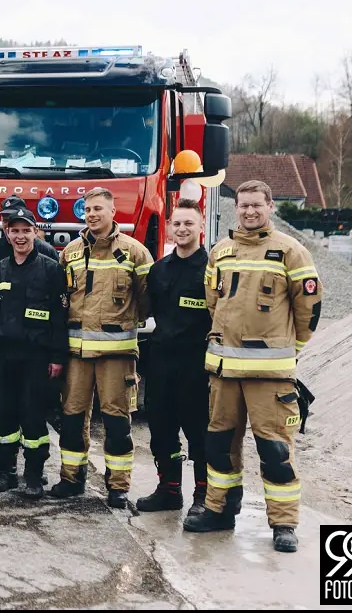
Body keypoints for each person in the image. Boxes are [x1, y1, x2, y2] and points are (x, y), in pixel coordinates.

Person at [183, 180, 321, 554]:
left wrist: (293, 350)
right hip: (225, 372)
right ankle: (219, 510)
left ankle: (284, 523)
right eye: (243, 205)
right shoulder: (221, 251)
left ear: (270, 206)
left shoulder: (291, 251)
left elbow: (309, 309)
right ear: (236, 208)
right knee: (219, 446)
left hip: (269, 375)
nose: (249, 211)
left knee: (275, 451)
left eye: (256, 205)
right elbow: (214, 302)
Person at [49, 187, 152, 509]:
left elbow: (148, 301)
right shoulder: (71, 253)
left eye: (98, 209)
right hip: (77, 356)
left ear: (112, 213)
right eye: (87, 210)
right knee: (72, 418)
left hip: (116, 358)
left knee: (117, 422)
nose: (92, 215)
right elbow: (62, 301)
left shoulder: (135, 253)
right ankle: (71, 478)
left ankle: (118, 487)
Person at [0, 204, 67, 498]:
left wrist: (56, 357)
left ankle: (33, 475)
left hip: (35, 357)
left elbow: (58, 317)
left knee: (32, 417)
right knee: (3, 417)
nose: (19, 236)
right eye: (14, 231)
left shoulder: (51, 269)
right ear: (7, 232)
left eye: (25, 230)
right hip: (2, 356)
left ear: (34, 232)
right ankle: (6, 472)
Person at [136, 199, 212, 516]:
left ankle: (203, 496)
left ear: (201, 228)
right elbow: (148, 311)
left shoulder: (211, 270)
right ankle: (168, 491)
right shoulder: (159, 270)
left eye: (188, 224)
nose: (182, 229)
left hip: (196, 366)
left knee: (200, 436)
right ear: (170, 227)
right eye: (177, 224)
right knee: (162, 433)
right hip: (162, 366)